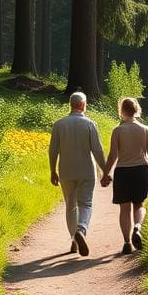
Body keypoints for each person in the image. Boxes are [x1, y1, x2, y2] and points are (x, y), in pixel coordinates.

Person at [48, 91, 106, 256]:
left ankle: (74, 240)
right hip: (87, 170)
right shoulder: (90, 124)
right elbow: (97, 150)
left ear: (71, 105)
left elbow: (53, 151)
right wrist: (105, 170)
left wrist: (52, 171)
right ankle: (81, 229)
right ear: (83, 105)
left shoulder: (59, 125)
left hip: (66, 170)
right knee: (85, 204)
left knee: (70, 205)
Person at [101, 97, 148, 255]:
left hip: (123, 172)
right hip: (141, 170)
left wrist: (106, 173)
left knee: (124, 209)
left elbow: (113, 155)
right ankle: (138, 226)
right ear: (137, 110)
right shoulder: (145, 129)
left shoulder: (118, 131)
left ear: (121, 111)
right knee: (139, 205)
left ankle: (127, 242)